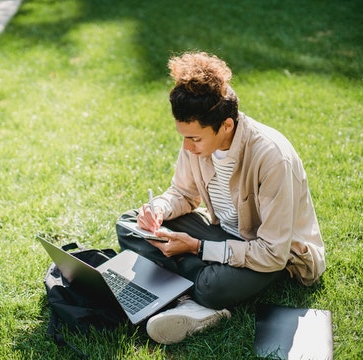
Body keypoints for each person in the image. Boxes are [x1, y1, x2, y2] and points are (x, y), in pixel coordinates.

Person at [116, 51, 326, 345]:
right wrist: (158, 211)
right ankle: (191, 295)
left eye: (195, 138)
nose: (188, 147)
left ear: (226, 125)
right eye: (183, 137)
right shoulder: (195, 144)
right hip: (222, 234)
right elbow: (183, 194)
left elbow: (273, 253)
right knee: (128, 224)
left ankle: (183, 291)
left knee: (214, 287)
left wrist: (197, 248)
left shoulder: (273, 158)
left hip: (272, 256)